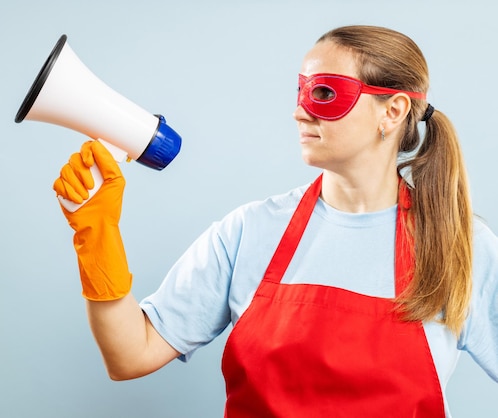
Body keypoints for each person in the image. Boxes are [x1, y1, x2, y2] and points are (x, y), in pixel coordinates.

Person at [52, 25, 498, 417]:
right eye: (300, 91)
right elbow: (131, 355)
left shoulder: (460, 243)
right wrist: (97, 237)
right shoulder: (250, 231)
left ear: (393, 111)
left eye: (324, 93)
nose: (299, 110)